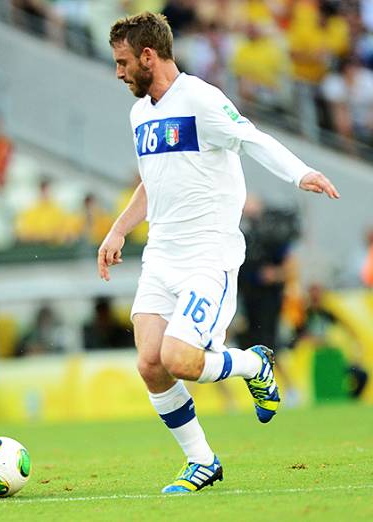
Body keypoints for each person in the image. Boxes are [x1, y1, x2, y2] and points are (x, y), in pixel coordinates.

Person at [98, 12, 340, 495]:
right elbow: (152, 179)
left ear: (149, 55)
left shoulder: (201, 100)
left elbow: (252, 138)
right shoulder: (140, 112)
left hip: (208, 257)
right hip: (161, 257)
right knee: (150, 363)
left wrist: (300, 173)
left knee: (181, 359)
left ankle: (254, 365)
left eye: (124, 62)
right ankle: (203, 462)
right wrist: (118, 230)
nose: (119, 72)